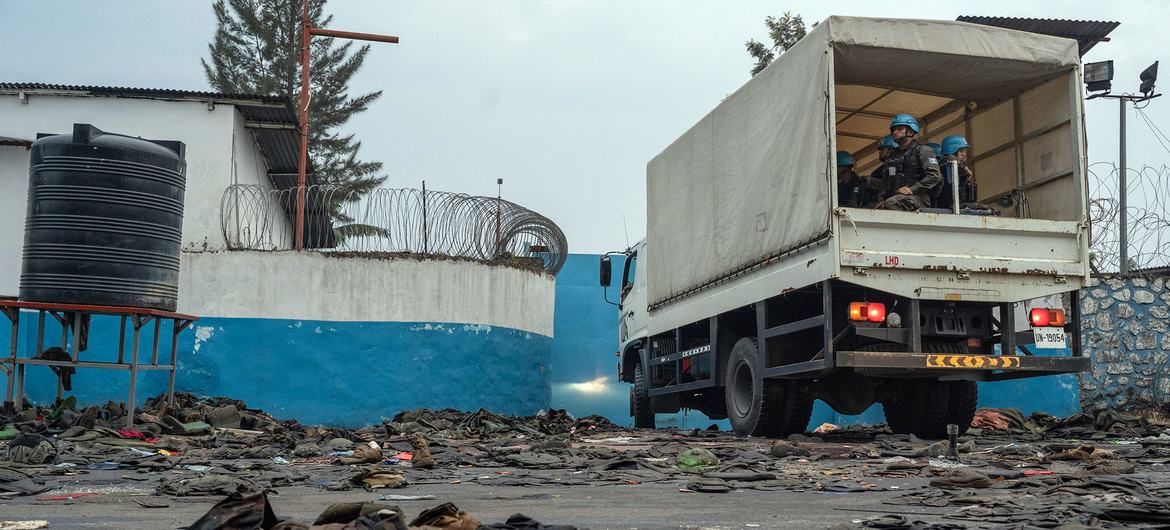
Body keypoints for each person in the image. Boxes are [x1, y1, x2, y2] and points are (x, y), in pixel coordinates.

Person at [874, 114, 941, 211]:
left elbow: (934, 176)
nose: (895, 132)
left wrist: (912, 189)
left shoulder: (923, 150)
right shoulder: (892, 157)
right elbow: (885, 183)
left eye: (900, 129)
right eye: (894, 130)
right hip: (895, 198)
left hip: (918, 198)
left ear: (910, 131)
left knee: (891, 202)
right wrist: (881, 199)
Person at [937, 135, 998, 214]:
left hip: (958, 205)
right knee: (992, 211)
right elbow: (949, 157)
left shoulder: (956, 168)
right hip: (951, 206)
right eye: (961, 151)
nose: (964, 154)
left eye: (965, 151)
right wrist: (965, 169)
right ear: (952, 150)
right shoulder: (945, 163)